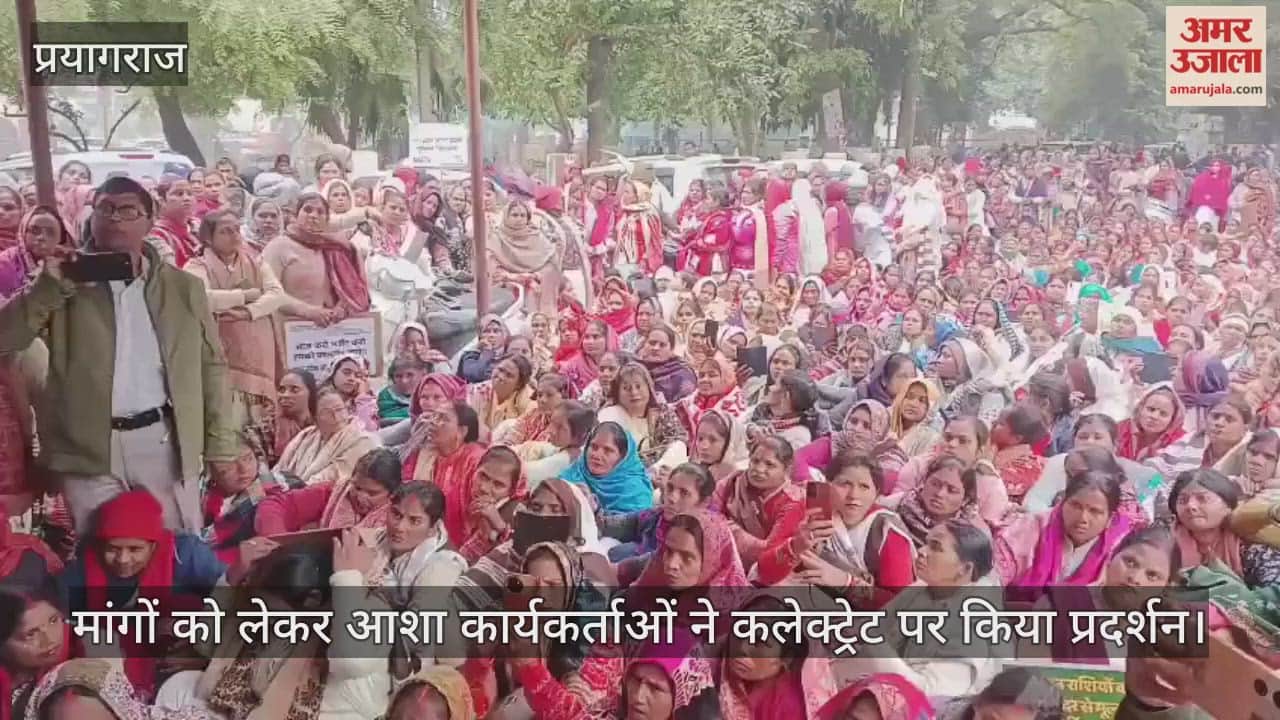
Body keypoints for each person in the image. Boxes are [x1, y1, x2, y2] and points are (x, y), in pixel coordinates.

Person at [0, 176, 239, 532]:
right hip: (87, 449)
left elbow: (212, 366)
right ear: (90, 217)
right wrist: (46, 288)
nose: (115, 218)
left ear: (148, 219)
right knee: (100, 560)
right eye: (105, 209)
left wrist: (221, 444)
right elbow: (6, 340)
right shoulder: (62, 284)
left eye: (128, 209)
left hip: (164, 442)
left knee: (172, 552)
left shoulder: (182, 287)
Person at [323, 483, 468, 718]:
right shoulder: (375, 543)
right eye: (396, 514)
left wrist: (358, 588)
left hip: (406, 672)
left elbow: (416, 627)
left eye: (414, 521)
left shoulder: (442, 566)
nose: (400, 527)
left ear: (434, 527)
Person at [184, 209, 287, 459]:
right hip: (219, 354)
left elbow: (276, 294)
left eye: (236, 229)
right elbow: (199, 297)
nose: (235, 236)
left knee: (261, 418)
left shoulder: (256, 260)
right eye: (226, 231)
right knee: (227, 420)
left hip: (257, 351)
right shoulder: (196, 266)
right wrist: (245, 295)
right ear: (208, 237)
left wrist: (248, 312)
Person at [273, 386, 378, 487]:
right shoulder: (305, 436)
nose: (336, 417)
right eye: (327, 412)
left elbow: (332, 477)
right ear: (315, 417)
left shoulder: (361, 440)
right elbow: (279, 469)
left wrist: (293, 490)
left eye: (339, 410)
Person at [597, 363, 689, 471]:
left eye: (638, 386)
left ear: (649, 388)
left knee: (679, 447)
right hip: (622, 472)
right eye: (626, 388)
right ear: (618, 393)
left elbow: (678, 439)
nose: (634, 393)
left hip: (658, 472)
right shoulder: (610, 414)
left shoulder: (661, 412)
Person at [560, 421, 653, 514]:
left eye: (608, 450)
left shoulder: (635, 492)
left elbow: (634, 526)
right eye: (594, 447)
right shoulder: (574, 474)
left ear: (623, 457)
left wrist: (594, 510)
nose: (596, 455)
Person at [271, 368, 318, 465]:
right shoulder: (269, 428)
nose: (285, 395)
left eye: (294, 390)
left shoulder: (322, 428)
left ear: (310, 393)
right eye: (282, 390)